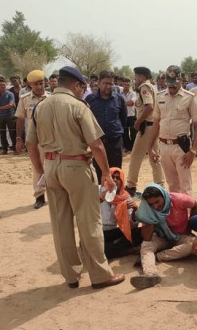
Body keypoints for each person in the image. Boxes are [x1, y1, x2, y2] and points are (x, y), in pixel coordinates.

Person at [25, 66, 124, 289]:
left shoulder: (41, 106)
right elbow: (96, 144)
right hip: (77, 166)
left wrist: (40, 171)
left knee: (61, 223)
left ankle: (71, 275)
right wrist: (106, 173)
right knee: (89, 222)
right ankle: (100, 275)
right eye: (82, 87)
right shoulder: (78, 106)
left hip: (51, 166)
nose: (83, 92)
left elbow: (31, 143)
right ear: (76, 85)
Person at [130, 184, 197, 290]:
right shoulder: (148, 209)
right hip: (161, 237)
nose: (155, 206)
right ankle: (150, 275)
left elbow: (194, 204)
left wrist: (191, 225)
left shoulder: (179, 199)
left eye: (157, 202)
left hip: (181, 236)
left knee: (194, 244)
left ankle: (158, 256)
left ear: (164, 196)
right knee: (146, 245)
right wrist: (150, 218)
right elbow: (147, 238)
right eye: (151, 204)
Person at [148, 65, 197, 196]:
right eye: (169, 83)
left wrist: (193, 150)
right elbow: (156, 124)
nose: (171, 86)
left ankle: (188, 209)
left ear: (181, 80)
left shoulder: (189, 97)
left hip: (181, 147)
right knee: (172, 184)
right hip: (164, 146)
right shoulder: (159, 97)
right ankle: (176, 209)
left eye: (174, 83)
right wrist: (150, 148)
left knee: (185, 185)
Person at [124, 66, 165, 197]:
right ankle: (160, 184)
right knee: (155, 156)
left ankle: (131, 185)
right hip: (154, 125)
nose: (135, 78)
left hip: (146, 126)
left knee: (135, 156)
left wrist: (138, 121)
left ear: (142, 76)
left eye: (136, 76)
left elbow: (149, 107)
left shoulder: (144, 87)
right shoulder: (152, 86)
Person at [15, 69, 49, 209]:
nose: (39, 86)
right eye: (36, 84)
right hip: (35, 141)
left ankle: (55, 195)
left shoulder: (52, 98)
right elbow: (20, 119)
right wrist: (18, 138)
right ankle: (39, 196)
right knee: (37, 168)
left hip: (51, 140)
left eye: (41, 83)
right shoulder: (24, 99)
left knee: (54, 167)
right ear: (30, 85)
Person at [85, 70, 128, 183]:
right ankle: (101, 193)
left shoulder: (119, 99)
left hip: (115, 142)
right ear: (99, 83)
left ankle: (115, 194)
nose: (108, 86)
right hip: (97, 143)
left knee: (116, 173)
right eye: (105, 83)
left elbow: (123, 119)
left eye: (110, 83)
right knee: (98, 173)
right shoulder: (90, 99)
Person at [101, 167, 143, 259]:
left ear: (122, 181)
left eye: (118, 178)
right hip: (98, 231)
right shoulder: (99, 191)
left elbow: (132, 226)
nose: (115, 180)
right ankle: (129, 250)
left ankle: (112, 249)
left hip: (114, 231)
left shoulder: (125, 197)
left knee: (140, 232)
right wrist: (101, 197)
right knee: (99, 247)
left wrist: (135, 209)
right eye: (112, 177)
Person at [0, 77, 17, 155]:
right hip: (0, 116)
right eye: (1, 85)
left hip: (10, 115)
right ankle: (4, 149)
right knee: (2, 133)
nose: (3, 86)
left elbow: (10, 105)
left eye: (4, 85)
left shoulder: (10, 94)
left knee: (12, 133)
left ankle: (15, 149)